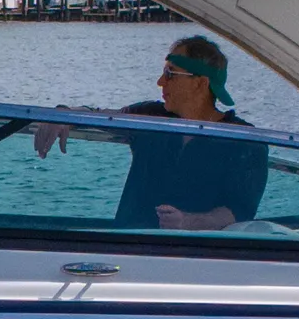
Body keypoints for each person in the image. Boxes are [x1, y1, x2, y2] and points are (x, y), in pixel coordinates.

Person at [31, 33, 274, 230]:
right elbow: (102, 115)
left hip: (195, 257)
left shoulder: (243, 140)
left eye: (170, 74)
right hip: (124, 250)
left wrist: (188, 222)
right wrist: (63, 115)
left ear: (201, 83)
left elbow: (238, 210)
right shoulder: (150, 116)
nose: (160, 81)